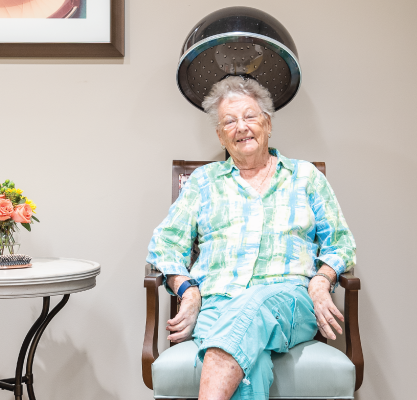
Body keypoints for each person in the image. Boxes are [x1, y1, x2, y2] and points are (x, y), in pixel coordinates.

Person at [147, 76, 356, 400]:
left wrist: (320, 281)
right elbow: (164, 245)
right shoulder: (203, 182)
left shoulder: (305, 177)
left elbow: (341, 243)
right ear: (220, 135)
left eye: (249, 116)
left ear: (267, 124)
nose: (241, 127)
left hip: (288, 301)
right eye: (229, 121)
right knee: (246, 360)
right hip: (216, 303)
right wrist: (188, 292)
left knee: (249, 310)